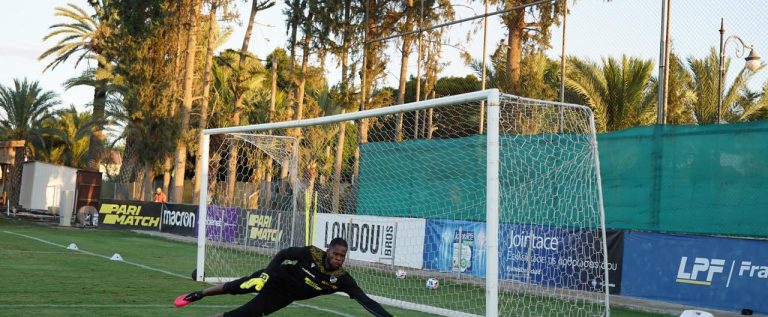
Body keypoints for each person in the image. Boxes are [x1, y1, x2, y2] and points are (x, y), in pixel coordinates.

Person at [174, 237, 395, 317]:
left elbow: (366, 301)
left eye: (342, 256)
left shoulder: (342, 279)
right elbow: (283, 253)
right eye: (336, 254)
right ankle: (200, 293)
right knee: (235, 286)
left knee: (242, 314)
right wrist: (265, 274)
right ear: (328, 251)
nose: (339, 258)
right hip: (275, 277)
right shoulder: (311, 253)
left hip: (282, 297)